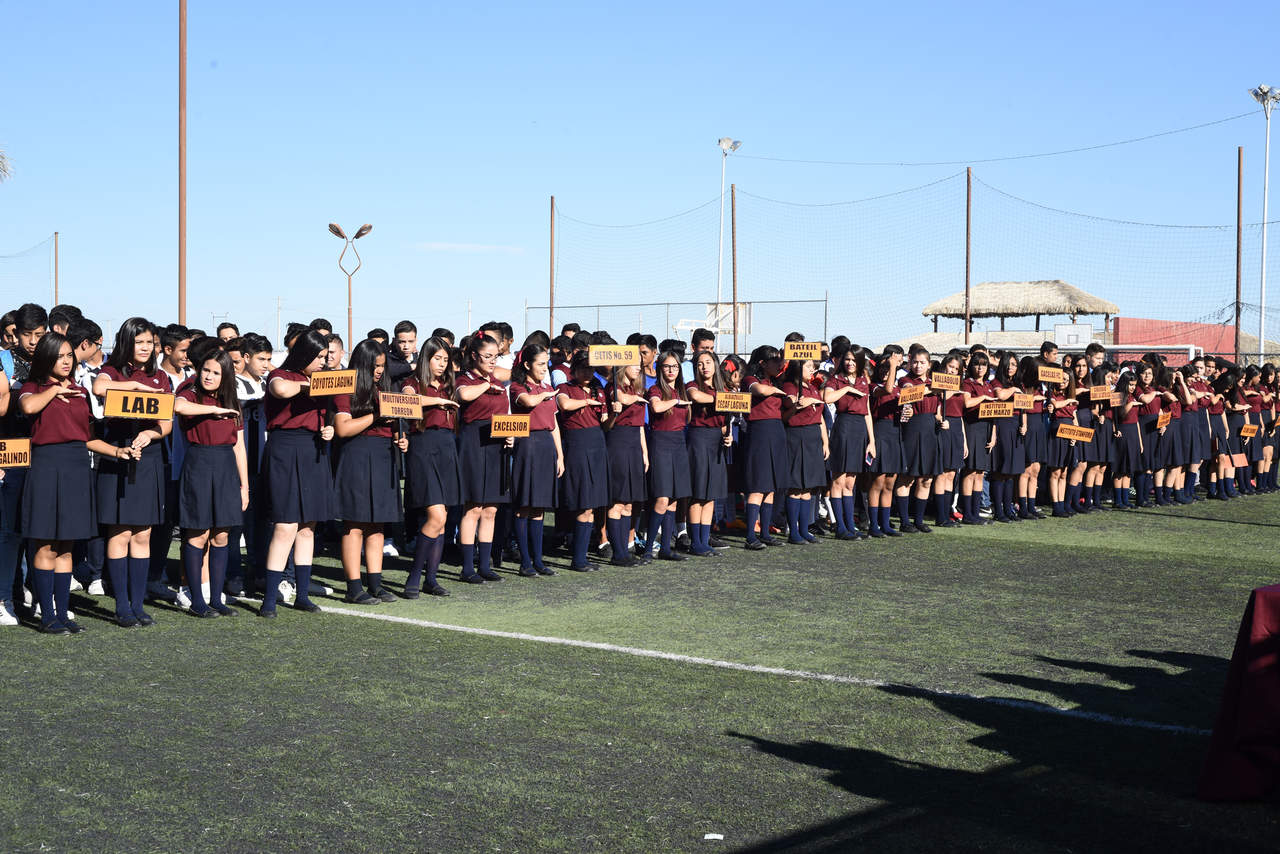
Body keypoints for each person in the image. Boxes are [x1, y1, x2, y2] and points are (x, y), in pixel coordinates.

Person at [20, 333, 130, 633]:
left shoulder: (81, 392)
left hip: (78, 469)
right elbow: (28, 407)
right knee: (46, 545)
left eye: (69, 355)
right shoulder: (33, 387)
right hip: (46, 467)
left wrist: (117, 452)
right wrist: (55, 391)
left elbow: (88, 437)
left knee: (67, 547)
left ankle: (62, 613)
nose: (66, 361)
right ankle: (46, 615)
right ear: (46, 358)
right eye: (59, 356)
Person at [92, 318, 174, 625]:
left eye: (150, 342)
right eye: (139, 342)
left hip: (149, 456)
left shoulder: (161, 376)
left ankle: (138, 604)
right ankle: (121, 606)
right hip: (117, 453)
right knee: (120, 532)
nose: (145, 347)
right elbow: (99, 387)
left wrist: (150, 434)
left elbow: (166, 423)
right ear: (127, 342)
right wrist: (136, 386)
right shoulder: (112, 370)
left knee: (143, 533)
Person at [259, 329, 335, 616]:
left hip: (313, 449)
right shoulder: (281, 374)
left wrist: (328, 429)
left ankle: (302, 594)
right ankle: (269, 598)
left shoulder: (323, 379)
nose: (323, 362)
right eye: (319, 356)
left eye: (325, 357)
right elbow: (279, 389)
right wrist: (308, 385)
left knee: (307, 527)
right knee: (285, 525)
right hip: (285, 449)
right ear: (304, 354)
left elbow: (329, 414)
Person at [332, 340, 408, 604]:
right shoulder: (346, 387)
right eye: (375, 366)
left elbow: (395, 427)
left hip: (383, 456)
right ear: (363, 364)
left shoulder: (385, 389)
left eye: (382, 366)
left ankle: (375, 584)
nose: (379, 371)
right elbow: (343, 428)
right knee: (354, 524)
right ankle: (354, 587)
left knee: (378, 525)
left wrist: (401, 438)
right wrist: (375, 416)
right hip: (356, 455)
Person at [173, 348, 247, 617]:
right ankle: (197, 600)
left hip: (226, 467)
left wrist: (245, 486)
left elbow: (239, 447)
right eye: (206, 370)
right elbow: (178, 406)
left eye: (216, 372)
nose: (209, 376)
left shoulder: (232, 401)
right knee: (198, 533)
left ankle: (216, 598)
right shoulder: (190, 392)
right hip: (199, 464)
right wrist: (213, 411)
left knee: (221, 535)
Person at [402, 337, 462, 596]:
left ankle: (431, 579)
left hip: (447, 448)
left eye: (446, 360)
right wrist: (438, 402)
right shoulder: (412, 383)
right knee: (435, 516)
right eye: (437, 358)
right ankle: (414, 577)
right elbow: (407, 402)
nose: (442, 364)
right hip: (423, 447)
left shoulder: (449, 385)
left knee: (443, 520)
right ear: (425, 359)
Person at [454, 333, 510, 582]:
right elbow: (463, 395)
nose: (492, 361)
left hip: (496, 447)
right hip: (473, 445)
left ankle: (485, 565)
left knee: (491, 509)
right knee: (473, 507)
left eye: (495, 356)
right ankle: (467, 567)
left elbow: (505, 415)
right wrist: (487, 385)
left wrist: (510, 435)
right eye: (488, 356)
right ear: (474, 356)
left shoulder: (497, 381)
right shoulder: (464, 378)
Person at [508, 344, 563, 576]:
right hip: (527, 445)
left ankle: (538, 560)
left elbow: (554, 423)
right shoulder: (518, 387)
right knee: (524, 505)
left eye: (546, 364)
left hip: (546, 446)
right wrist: (544, 395)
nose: (544, 368)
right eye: (540, 364)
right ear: (527, 364)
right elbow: (528, 402)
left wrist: (560, 455)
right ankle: (525, 561)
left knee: (539, 506)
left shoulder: (548, 388)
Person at [556, 350, 609, 571]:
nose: (588, 372)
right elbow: (564, 405)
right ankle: (577, 558)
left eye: (591, 368)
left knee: (592, 505)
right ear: (574, 369)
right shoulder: (565, 387)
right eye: (583, 368)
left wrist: (613, 413)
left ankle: (582, 557)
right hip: (577, 445)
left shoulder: (599, 389)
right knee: (582, 503)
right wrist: (587, 401)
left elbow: (605, 422)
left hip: (597, 444)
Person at [645, 350, 693, 560]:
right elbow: (656, 407)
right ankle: (649, 548)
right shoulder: (655, 389)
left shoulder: (682, 390)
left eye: (675, 366)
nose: (671, 370)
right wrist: (675, 402)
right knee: (662, 498)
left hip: (679, 443)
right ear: (660, 368)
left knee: (674, 499)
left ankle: (666, 548)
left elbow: (687, 418)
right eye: (667, 366)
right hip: (661, 443)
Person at [823, 345, 873, 539]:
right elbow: (827, 397)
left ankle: (850, 526)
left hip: (860, 430)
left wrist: (872, 441)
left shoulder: (863, 380)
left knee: (851, 483)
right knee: (839, 480)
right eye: (847, 359)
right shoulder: (836, 379)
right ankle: (840, 527)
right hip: (843, 427)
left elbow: (867, 412)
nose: (850, 363)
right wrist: (847, 388)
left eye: (854, 360)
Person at [742, 345, 788, 549]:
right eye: (775, 360)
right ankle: (750, 536)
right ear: (762, 363)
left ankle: (765, 532)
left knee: (770, 486)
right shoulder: (750, 379)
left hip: (776, 431)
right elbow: (759, 391)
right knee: (758, 484)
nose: (779, 364)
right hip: (760, 432)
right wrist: (778, 391)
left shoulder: (774, 381)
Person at [685, 350, 731, 555]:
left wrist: (728, 436)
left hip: (716, 440)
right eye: (700, 363)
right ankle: (695, 542)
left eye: (708, 362)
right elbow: (695, 396)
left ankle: (704, 541)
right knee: (698, 494)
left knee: (711, 494)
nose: (704, 367)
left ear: (716, 365)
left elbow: (726, 420)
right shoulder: (692, 385)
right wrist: (722, 399)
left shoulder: (723, 389)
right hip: (698, 439)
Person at [603, 361, 648, 566]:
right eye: (634, 364)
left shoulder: (636, 389)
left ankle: (624, 550)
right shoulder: (614, 387)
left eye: (640, 365)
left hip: (634, 445)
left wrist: (644, 452)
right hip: (618, 443)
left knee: (629, 503)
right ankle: (618, 553)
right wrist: (637, 398)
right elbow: (621, 399)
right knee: (618, 501)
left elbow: (640, 427)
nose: (638, 368)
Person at [779, 356, 828, 543]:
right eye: (808, 366)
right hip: (797, 436)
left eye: (813, 367)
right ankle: (793, 531)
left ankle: (804, 529)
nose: (812, 370)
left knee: (808, 486)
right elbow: (789, 402)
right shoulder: (790, 386)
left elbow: (820, 417)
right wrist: (797, 402)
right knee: (796, 486)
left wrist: (825, 442)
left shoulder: (813, 387)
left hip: (813, 437)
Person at [894, 345, 940, 534]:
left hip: (931, 430)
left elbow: (939, 407)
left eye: (922, 363)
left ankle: (919, 520)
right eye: (915, 362)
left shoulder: (935, 382)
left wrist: (941, 419)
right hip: (912, 429)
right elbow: (908, 391)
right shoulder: (905, 379)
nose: (918, 366)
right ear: (909, 362)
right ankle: (905, 521)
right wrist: (932, 388)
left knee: (926, 479)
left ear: (929, 364)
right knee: (907, 477)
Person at [865, 347, 905, 537]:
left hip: (895, 433)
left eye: (889, 367)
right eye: (884, 367)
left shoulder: (900, 390)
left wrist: (907, 412)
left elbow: (904, 410)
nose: (886, 370)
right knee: (878, 482)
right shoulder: (873, 386)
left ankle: (885, 523)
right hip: (880, 432)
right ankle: (873, 524)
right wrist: (893, 366)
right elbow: (887, 389)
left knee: (890, 482)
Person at [959, 351, 996, 525]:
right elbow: (967, 403)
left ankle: (976, 512)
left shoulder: (988, 385)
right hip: (972, 428)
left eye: (984, 364)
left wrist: (993, 434)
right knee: (970, 471)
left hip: (986, 429)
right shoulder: (967, 383)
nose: (980, 368)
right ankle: (967, 513)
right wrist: (983, 398)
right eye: (976, 364)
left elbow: (995, 411)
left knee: (980, 473)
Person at [988, 352, 1025, 523]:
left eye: (1014, 364)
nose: (1011, 368)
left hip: (1016, 425)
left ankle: (1009, 509)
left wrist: (1024, 424)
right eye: (1008, 364)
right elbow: (1000, 396)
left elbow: (1024, 406)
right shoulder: (996, 381)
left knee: (1011, 472)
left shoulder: (1019, 383)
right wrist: (1014, 389)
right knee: (1000, 471)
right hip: (1002, 424)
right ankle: (998, 510)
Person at [932, 351, 966, 528]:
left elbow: (960, 415)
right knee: (942, 473)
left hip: (957, 429)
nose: (952, 370)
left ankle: (947, 513)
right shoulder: (938, 385)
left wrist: (964, 441)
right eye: (950, 366)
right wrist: (940, 421)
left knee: (952, 474)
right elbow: (935, 410)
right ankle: (940, 516)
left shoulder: (960, 386)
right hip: (943, 428)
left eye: (956, 368)